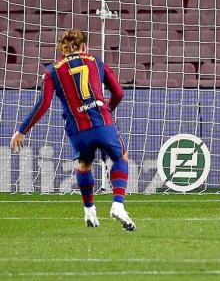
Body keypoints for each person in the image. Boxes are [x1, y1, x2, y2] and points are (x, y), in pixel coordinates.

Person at [9, 29, 136, 231]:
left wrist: (22, 130)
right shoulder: (95, 61)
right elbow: (119, 92)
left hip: (78, 130)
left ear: (62, 50)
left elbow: (43, 103)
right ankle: (118, 205)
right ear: (84, 47)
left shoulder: (52, 71)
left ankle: (89, 211)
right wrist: (107, 109)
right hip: (102, 122)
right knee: (121, 157)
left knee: (84, 165)